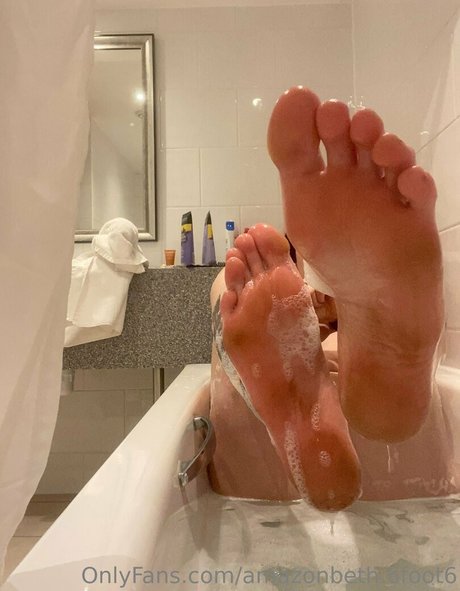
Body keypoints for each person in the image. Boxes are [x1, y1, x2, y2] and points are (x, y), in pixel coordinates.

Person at [206, 86, 458, 512]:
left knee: (229, 297)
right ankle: (377, 397)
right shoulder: (277, 281)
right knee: (246, 299)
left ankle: (310, 399)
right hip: (416, 483)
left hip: (253, 486)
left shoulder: (265, 279)